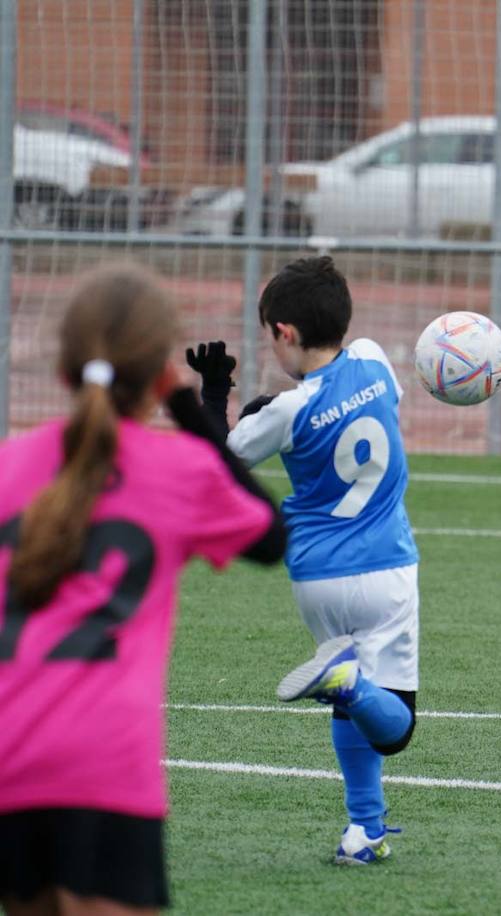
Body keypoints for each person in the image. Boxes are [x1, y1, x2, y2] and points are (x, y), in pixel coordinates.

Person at [0, 263, 286, 914]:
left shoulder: (10, 463)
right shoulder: (177, 467)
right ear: (155, 370)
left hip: (8, 757)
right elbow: (272, 539)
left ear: (63, 367)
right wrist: (187, 403)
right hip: (100, 761)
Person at [187, 256, 420, 865]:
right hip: (385, 570)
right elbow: (366, 403)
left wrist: (217, 392)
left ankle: (363, 831)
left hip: (315, 577)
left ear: (284, 334)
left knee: (351, 689)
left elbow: (218, 461)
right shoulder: (372, 357)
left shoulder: (288, 413)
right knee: (396, 725)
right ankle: (343, 680)